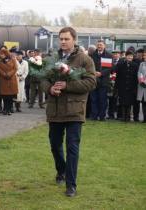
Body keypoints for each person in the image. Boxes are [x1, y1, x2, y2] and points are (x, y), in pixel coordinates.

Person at [44, 27, 96, 197]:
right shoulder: (52, 59)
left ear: (75, 40)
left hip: (75, 110)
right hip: (55, 109)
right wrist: (50, 89)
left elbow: (90, 83)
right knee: (55, 144)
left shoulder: (85, 60)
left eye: (66, 39)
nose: (63, 42)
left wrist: (68, 86)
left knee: (72, 147)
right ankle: (61, 170)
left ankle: (70, 185)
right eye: (61, 39)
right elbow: (42, 79)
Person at [89, 39, 113, 121]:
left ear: (104, 45)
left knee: (102, 100)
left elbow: (110, 67)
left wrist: (101, 73)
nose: (99, 46)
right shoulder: (91, 55)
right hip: (93, 80)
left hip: (103, 81)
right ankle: (94, 116)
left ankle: (102, 116)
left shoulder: (109, 55)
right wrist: (94, 73)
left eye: (100, 45)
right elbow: (88, 66)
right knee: (93, 99)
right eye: (98, 45)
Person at [115, 50, 139, 122]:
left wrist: (135, 87)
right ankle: (123, 116)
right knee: (122, 102)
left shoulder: (134, 65)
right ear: (126, 56)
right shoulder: (121, 65)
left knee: (129, 102)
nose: (130, 57)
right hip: (122, 85)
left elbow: (135, 77)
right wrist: (116, 86)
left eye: (131, 56)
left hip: (131, 86)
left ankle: (127, 117)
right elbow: (118, 76)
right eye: (129, 56)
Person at [0, 48, 18, 115]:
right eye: (1, 54)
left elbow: (15, 68)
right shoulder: (0, 61)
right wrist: (4, 74)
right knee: (5, 96)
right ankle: (5, 109)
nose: (1, 56)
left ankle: (9, 109)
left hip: (11, 79)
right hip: (4, 80)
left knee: (10, 97)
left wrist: (8, 74)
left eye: (2, 54)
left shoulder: (13, 60)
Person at [107, 50, 121, 120]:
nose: (115, 55)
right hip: (110, 83)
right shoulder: (110, 62)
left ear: (119, 55)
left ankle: (118, 115)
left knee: (116, 100)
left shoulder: (121, 62)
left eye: (116, 54)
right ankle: (111, 114)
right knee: (110, 99)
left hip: (118, 82)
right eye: (114, 54)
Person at [137, 51, 146, 123]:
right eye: (144, 55)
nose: (144, 57)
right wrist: (141, 81)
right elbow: (139, 73)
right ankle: (144, 118)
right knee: (143, 103)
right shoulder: (141, 64)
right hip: (142, 86)